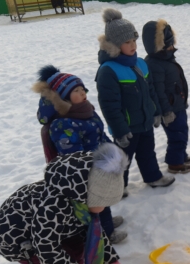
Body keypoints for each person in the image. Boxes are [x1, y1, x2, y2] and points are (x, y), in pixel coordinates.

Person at [0, 144, 127, 264]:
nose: (104, 208)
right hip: (18, 241)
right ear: (87, 195)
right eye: (103, 202)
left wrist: (109, 260)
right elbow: (45, 246)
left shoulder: (78, 200)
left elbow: (93, 234)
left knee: (76, 245)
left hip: (51, 231)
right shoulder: (53, 207)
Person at [32, 65, 127, 244]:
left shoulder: (87, 110)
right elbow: (73, 155)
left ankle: (107, 222)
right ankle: (105, 234)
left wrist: (112, 149)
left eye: (83, 89)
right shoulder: (62, 124)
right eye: (76, 91)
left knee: (102, 197)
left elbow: (100, 133)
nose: (83, 93)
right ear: (63, 97)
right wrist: (91, 166)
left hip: (99, 164)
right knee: (94, 201)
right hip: (84, 171)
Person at [95, 8, 175, 196]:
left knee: (148, 152)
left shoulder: (140, 63)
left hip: (145, 121)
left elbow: (151, 91)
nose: (133, 45)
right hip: (127, 127)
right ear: (115, 45)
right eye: (127, 42)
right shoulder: (108, 70)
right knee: (122, 159)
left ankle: (153, 176)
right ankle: (116, 187)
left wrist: (156, 111)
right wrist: (120, 130)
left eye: (134, 40)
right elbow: (109, 105)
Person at [142, 18, 190, 174]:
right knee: (177, 134)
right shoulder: (154, 65)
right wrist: (166, 111)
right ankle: (175, 163)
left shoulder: (166, 59)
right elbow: (158, 92)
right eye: (169, 45)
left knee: (182, 131)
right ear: (158, 46)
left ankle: (180, 154)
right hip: (170, 109)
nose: (172, 47)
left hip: (178, 104)